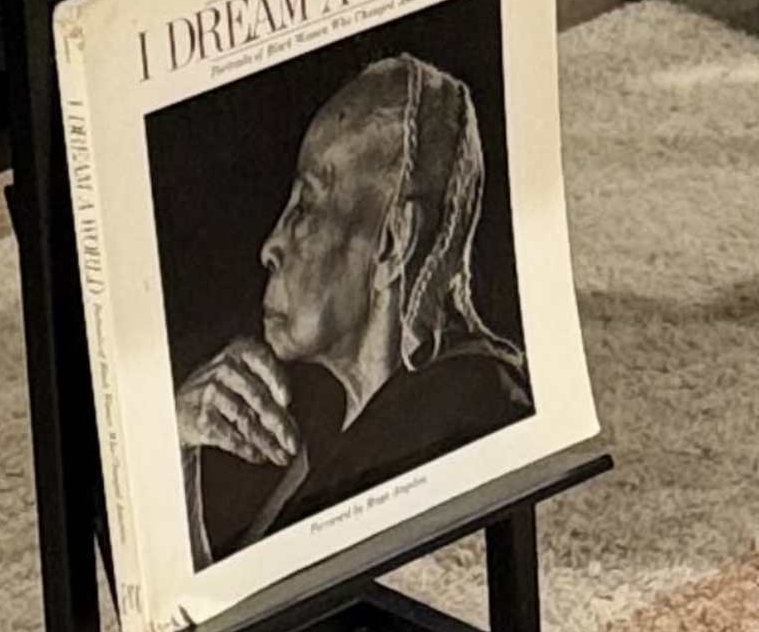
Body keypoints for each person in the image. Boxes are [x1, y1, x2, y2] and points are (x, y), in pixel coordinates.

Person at [173, 46, 527, 563]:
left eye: (308, 205)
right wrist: (175, 448)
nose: (271, 244)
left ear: (392, 240)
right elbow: (219, 619)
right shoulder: (332, 429)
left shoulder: (465, 404)